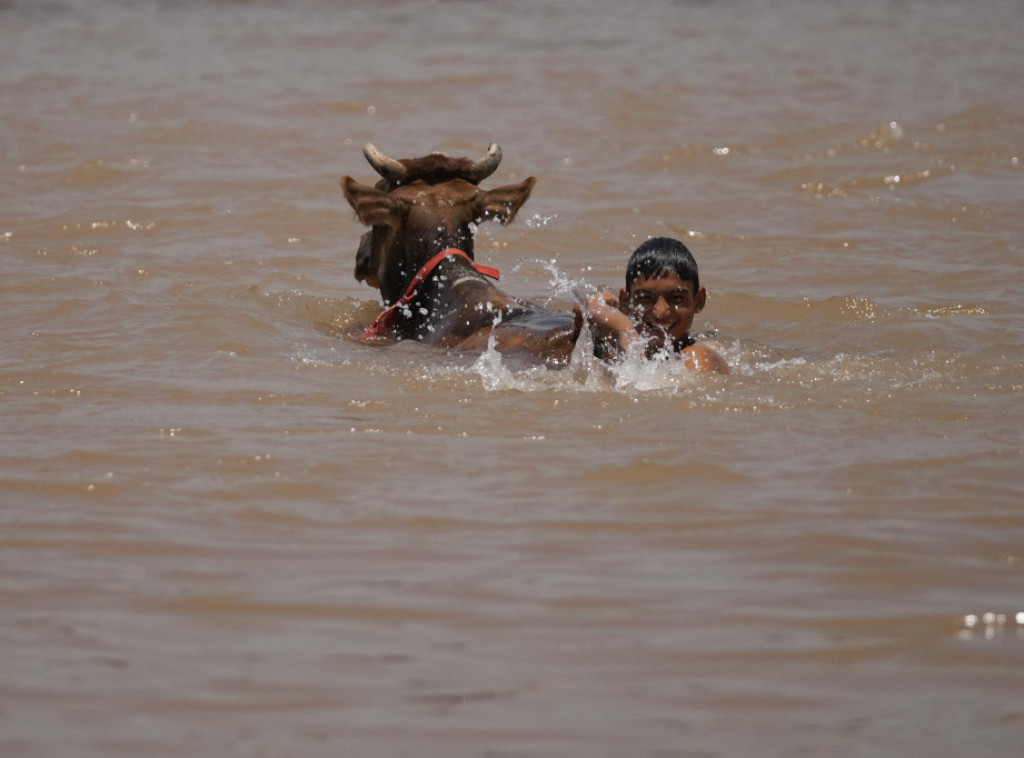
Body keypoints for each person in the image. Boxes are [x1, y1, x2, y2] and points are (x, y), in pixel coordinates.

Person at [586, 237, 730, 374]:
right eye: (645, 298)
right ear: (626, 302)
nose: (661, 312)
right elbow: (591, 302)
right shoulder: (638, 344)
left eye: (676, 298)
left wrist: (624, 330)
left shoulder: (696, 357)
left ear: (698, 301)